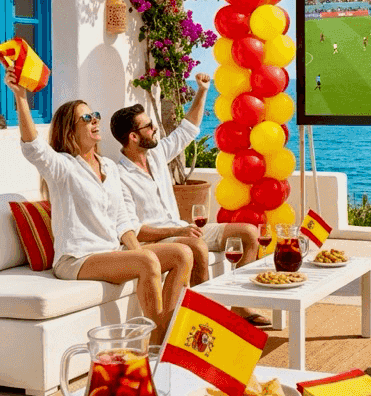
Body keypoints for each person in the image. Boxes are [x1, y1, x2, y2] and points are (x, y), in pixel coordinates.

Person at [7, 71, 192, 345]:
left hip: (111, 251)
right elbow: (34, 148)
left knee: (182, 253)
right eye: (86, 118)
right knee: (148, 262)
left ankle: (168, 333)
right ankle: (158, 343)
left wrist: (138, 251)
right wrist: (21, 98)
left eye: (95, 115)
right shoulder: (63, 167)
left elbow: (122, 220)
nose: (94, 120)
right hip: (77, 259)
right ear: (70, 130)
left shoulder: (109, 168)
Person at [110, 75, 267, 327]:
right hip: (159, 239)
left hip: (182, 228)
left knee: (249, 233)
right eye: (148, 126)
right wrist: (178, 231)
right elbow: (134, 231)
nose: (155, 128)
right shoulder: (119, 176)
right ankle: (206, 321)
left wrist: (202, 91)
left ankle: (239, 305)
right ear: (133, 137)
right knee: (197, 246)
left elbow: (188, 129)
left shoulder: (156, 154)